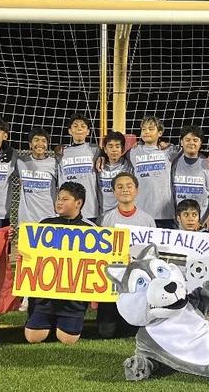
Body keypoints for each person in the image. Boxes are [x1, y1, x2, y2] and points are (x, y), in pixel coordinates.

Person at [23, 182, 96, 344]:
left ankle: (65, 321)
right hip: (46, 297)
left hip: (73, 301)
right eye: (58, 198)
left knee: (67, 340)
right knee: (33, 338)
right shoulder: (45, 224)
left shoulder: (91, 229)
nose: (59, 202)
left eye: (65, 199)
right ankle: (41, 316)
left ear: (78, 203)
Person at [97, 172, 155, 339]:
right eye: (120, 187)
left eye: (129, 186)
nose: (125, 190)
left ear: (136, 191)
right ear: (114, 192)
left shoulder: (147, 220)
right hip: (112, 281)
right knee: (105, 332)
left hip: (136, 282)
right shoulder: (106, 219)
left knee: (131, 331)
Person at [128, 116, 181, 229]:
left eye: (151, 129)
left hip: (165, 214)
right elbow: (113, 155)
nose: (146, 132)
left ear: (160, 133)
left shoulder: (169, 150)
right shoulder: (133, 151)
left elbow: (192, 151)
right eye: (143, 129)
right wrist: (101, 156)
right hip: (140, 213)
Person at [172, 125, 209, 231]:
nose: (191, 143)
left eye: (195, 140)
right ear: (181, 142)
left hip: (201, 224)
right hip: (177, 225)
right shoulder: (173, 163)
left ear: (200, 143)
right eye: (187, 140)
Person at [58, 113, 101, 221]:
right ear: (70, 131)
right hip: (68, 210)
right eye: (75, 126)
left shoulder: (95, 150)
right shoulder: (61, 153)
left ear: (88, 131)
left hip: (90, 209)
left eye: (83, 126)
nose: (79, 129)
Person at [15, 127, 58, 224]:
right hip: (26, 219)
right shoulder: (21, 162)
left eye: (44, 141)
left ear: (47, 144)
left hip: (49, 216)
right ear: (30, 144)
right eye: (36, 140)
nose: (40, 144)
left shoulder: (55, 163)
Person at [97, 130, 133, 217]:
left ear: (123, 149)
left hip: (123, 214)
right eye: (110, 146)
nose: (114, 150)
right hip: (103, 214)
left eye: (117, 146)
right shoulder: (98, 164)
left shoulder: (129, 164)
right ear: (105, 149)